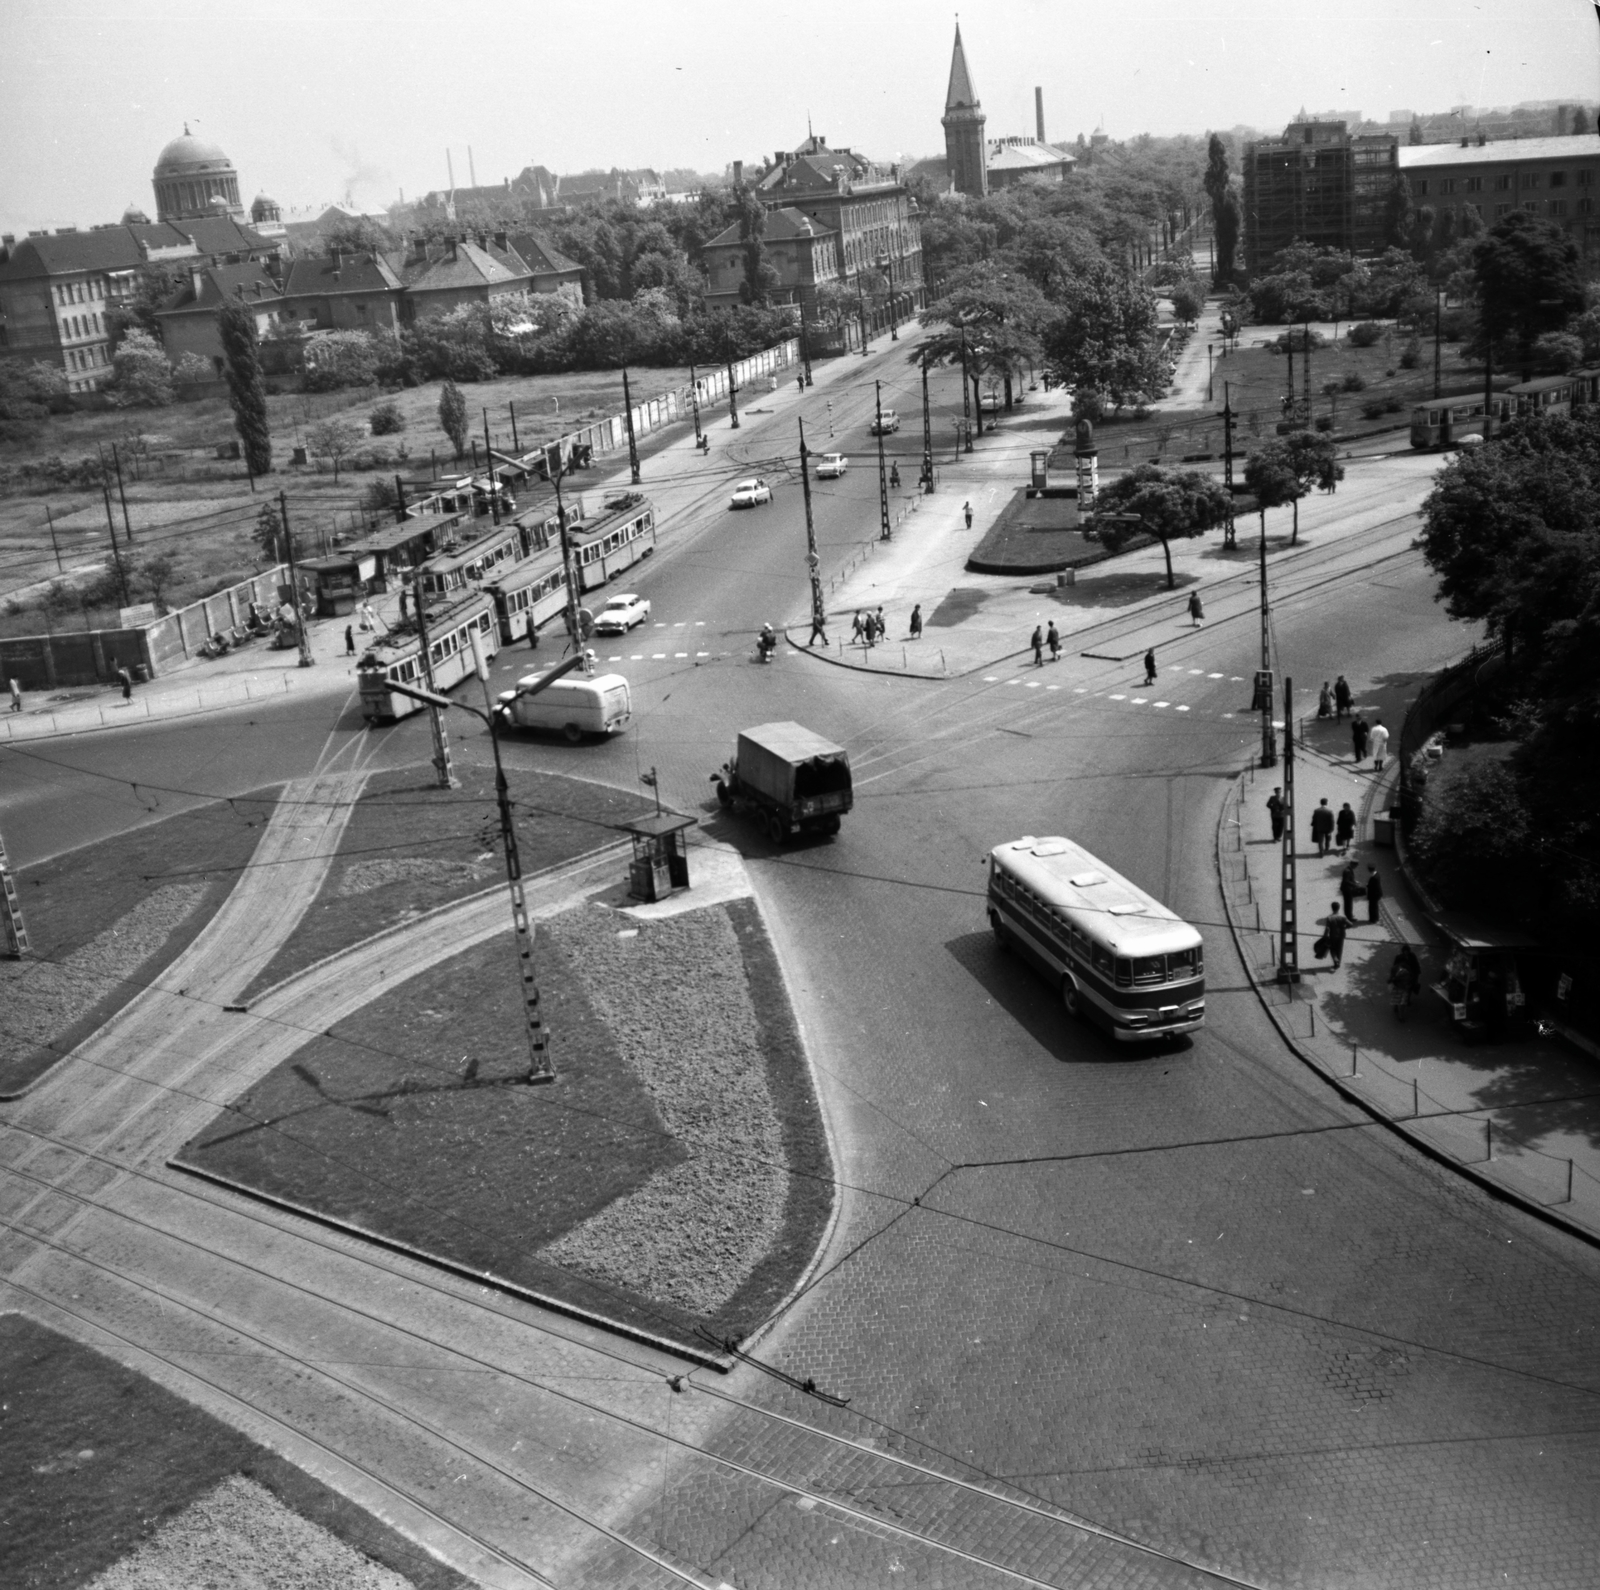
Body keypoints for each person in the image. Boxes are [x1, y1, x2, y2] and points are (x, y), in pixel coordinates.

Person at [1388, 942, 1421, 1019]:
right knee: (1400, 996)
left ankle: (1401, 1006)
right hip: (1402, 982)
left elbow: (1416, 966)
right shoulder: (1400, 959)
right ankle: (1398, 1008)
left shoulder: (1411, 957)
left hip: (1406, 981)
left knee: (1405, 994)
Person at [1321, 901, 1349, 970]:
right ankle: (1338, 963)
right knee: (1339, 950)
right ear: (1339, 908)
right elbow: (1350, 924)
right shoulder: (1343, 917)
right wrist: (1344, 927)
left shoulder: (1329, 918)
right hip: (1341, 936)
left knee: (1332, 949)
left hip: (1333, 936)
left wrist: (1324, 936)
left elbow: (1327, 928)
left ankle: (1335, 959)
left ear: (1332, 908)